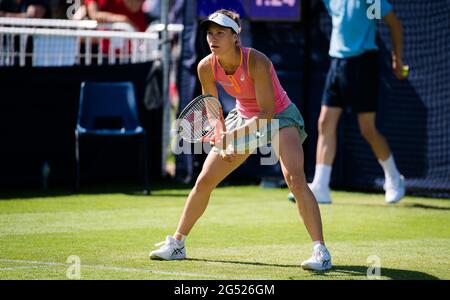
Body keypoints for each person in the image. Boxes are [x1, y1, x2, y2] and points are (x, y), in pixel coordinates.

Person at [150, 9, 333, 271]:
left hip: (279, 116)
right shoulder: (205, 66)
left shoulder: (257, 61)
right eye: (210, 33)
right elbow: (212, 109)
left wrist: (230, 136)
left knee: (295, 178)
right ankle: (177, 244)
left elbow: (267, 113)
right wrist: (220, 135)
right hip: (243, 116)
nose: (213, 38)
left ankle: (321, 251)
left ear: (236, 37)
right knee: (204, 180)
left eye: (220, 33)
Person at [289, 0, 407, 205]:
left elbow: (393, 23)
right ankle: (321, 186)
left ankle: (394, 179)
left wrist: (397, 59)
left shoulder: (369, 1)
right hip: (337, 64)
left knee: (367, 129)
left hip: (363, 63)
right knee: (325, 123)